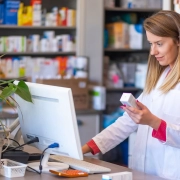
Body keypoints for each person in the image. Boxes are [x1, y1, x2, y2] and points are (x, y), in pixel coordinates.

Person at [82, 10, 180, 180]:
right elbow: (127, 122)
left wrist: (153, 122)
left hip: (169, 174)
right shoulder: (160, 78)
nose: (153, 52)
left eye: (159, 43)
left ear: (178, 40)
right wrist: (85, 149)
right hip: (143, 172)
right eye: (151, 44)